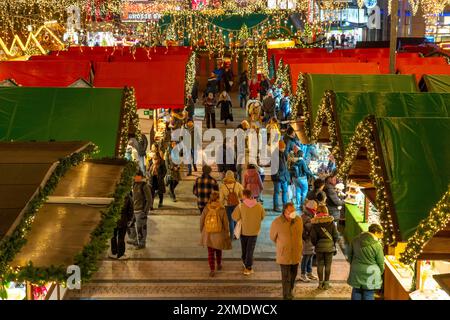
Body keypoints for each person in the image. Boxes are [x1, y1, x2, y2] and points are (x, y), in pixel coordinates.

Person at [270, 203, 303, 300]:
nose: (293, 213)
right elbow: (272, 237)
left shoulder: (298, 220)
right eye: (291, 211)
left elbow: (300, 234)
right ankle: (286, 294)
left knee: (293, 274)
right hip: (284, 254)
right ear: (285, 211)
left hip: (296, 253)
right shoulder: (277, 222)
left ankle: (290, 290)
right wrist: (283, 244)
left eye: (294, 210)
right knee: (285, 276)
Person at [232, 189, 266, 275]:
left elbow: (234, 217)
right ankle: (248, 266)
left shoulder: (241, 206)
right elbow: (262, 217)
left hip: (244, 231)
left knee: (244, 248)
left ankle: (246, 264)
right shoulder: (259, 206)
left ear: (244, 196)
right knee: (250, 249)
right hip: (254, 231)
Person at [348, 224, 385, 300]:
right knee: (369, 292)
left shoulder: (355, 240)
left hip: (356, 270)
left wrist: (354, 265)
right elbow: (380, 262)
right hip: (371, 272)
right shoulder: (377, 245)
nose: (382, 235)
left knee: (356, 290)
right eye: (381, 232)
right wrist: (380, 272)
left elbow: (350, 255)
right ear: (375, 232)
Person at [200, 191, 232, 277]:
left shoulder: (206, 208)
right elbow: (226, 223)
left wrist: (202, 231)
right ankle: (219, 264)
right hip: (219, 233)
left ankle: (212, 269)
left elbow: (201, 221)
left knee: (210, 252)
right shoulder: (221, 208)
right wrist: (227, 232)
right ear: (218, 198)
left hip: (208, 233)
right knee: (218, 250)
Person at [310, 204, 339, 290]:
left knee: (320, 265)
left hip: (319, 247)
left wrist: (316, 244)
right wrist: (333, 243)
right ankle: (326, 284)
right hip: (329, 247)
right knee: (328, 265)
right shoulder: (331, 222)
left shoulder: (315, 223)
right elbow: (336, 235)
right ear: (326, 211)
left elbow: (313, 237)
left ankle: (320, 284)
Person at [127, 172, 152, 250]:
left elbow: (149, 200)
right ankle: (134, 239)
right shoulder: (134, 184)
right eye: (135, 176)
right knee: (130, 225)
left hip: (140, 211)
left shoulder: (144, 186)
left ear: (141, 177)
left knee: (140, 228)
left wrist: (145, 212)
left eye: (137, 176)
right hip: (134, 210)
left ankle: (141, 243)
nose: (135, 177)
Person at [219, 170, 244, 239]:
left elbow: (221, 198)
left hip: (227, 205)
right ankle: (236, 234)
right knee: (236, 219)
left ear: (226, 176)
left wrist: (221, 205)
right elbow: (242, 196)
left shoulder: (222, 186)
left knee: (230, 221)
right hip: (236, 204)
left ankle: (231, 236)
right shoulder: (238, 185)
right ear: (233, 176)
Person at [110, 190, 134, 260]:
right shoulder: (128, 197)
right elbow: (130, 210)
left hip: (113, 219)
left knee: (113, 236)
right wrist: (129, 219)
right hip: (123, 220)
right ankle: (120, 254)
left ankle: (114, 252)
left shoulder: (113, 195)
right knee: (121, 237)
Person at [300, 200, 318, 282]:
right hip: (307, 240)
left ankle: (309, 272)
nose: (316, 208)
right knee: (306, 257)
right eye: (315, 206)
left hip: (310, 240)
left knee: (310, 256)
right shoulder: (307, 217)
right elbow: (308, 228)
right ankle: (303, 274)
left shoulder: (310, 215)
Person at [272, 140, 290, 212]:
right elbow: (274, 167)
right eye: (283, 148)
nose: (284, 149)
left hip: (284, 176)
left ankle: (285, 206)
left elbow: (285, 165)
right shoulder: (275, 155)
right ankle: (276, 206)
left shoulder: (283, 154)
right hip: (278, 178)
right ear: (279, 147)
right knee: (277, 192)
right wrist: (278, 176)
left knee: (285, 191)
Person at [147, 144, 166, 209]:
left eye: (155, 157)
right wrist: (149, 176)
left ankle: (160, 202)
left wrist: (161, 177)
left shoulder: (162, 162)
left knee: (160, 192)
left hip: (159, 179)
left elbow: (164, 171)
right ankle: (151, 205)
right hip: (152, 179)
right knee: (151, 192)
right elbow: (148, 170)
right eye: (153, 157)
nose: (154, 159)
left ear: (158, 157)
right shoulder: (150, 162)